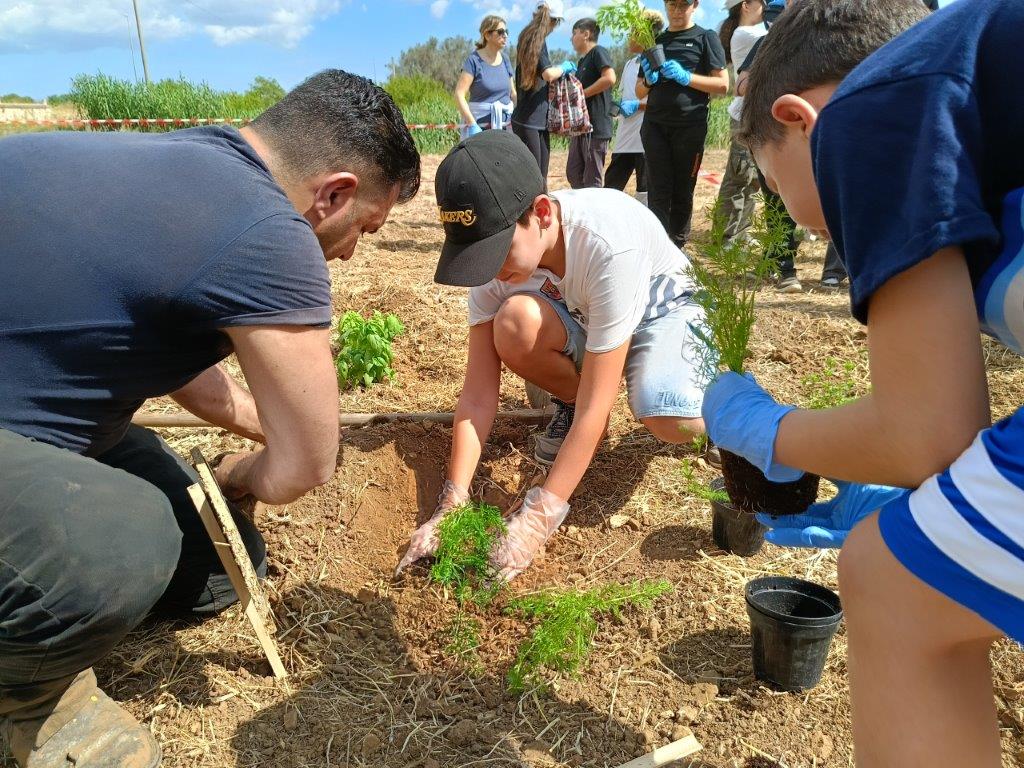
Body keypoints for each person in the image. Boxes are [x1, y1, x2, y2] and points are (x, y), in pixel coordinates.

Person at [0, 70, 420, 768]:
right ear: (335, 193)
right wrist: (243, 471)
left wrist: (260, 422)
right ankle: (28, 698)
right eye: (365, 229)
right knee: (120, 544)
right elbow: (310, 465)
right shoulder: (271, 231)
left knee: (218, 562)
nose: (351, 252)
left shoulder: (198, 165)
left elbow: (162, 332)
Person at [702, 0, 1023, 764]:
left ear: (800, 119)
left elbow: (925, 434)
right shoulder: (971, 97)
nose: (808, 226)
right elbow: (944, 435)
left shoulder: (876, 105)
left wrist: (771, 431)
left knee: (890, 577)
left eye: (780, 191)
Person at [396, 130, 709, 581]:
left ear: (541, 213)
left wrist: (536, 521)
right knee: (514, 323)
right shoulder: (497, 264)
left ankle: (721, 401)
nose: (489, 271)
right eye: (476, 257)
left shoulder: (604, 243)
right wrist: (453, 500)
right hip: (588, 315)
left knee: (668, 419)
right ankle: (570, 399)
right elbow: (479, 396)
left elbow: (596, 410)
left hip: (662, 313)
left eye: (495, 251)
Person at [636, 0, 729, 248]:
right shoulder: (655, 39)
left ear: (695, 5)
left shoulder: (706, 37)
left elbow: (722, 84)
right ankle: (657, 247)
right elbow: (638, 92)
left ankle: (677, 246)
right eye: (672, 4)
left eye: (683, 5)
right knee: (658, 188)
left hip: (690, 126)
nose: (677, 10)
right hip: (655, 125)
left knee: (683, 188)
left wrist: (686, 77)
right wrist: (648, 80)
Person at [713, 0, 766, 244]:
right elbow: (776, 35)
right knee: (739, 177)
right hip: (744, 115)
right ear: (746, 5)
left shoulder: (752, 32)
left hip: (754, 114)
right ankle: (726, 236)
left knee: (752, 178)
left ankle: (741, 232)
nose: (767, 6)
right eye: (763, 2)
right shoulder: (745, 34)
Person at [511, 0, 578, 184]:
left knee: (539, 176)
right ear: (554, 21)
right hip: (529, 119)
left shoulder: (529, 36)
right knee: (535, 177)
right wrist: (565, 67)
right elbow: (548, 73)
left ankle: (538, 209)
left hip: (534, 119)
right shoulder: (534, 38)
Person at [604, 10, 665, 201]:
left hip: (646, 138)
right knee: (611, 186)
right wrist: (621, 105)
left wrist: (638, 106)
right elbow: (628, 94)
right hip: (625, 137)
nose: (629, 37)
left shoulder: (657, 61)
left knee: (645, 191)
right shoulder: (630, 64)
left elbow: (662, 102)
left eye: (632, 32)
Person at [565, 17, 616, 189]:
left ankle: (594, 214)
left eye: (574, 33)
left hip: (595, 127)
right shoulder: (582, 62)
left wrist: (582, 94)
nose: (571, 38)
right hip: (581, 128)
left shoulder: (598, 52)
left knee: (591, 179)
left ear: (586, 34)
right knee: (573, 173)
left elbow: (609, 78)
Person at [453, 15, 516, 139]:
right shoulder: (473, 61)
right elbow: (459, 94)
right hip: (479, 129)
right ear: (487, 35)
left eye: (506, 32)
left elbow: (513, 94)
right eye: (501, 32)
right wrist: (472, 125)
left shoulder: (506, 60)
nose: (505, 35)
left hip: (505, 129)